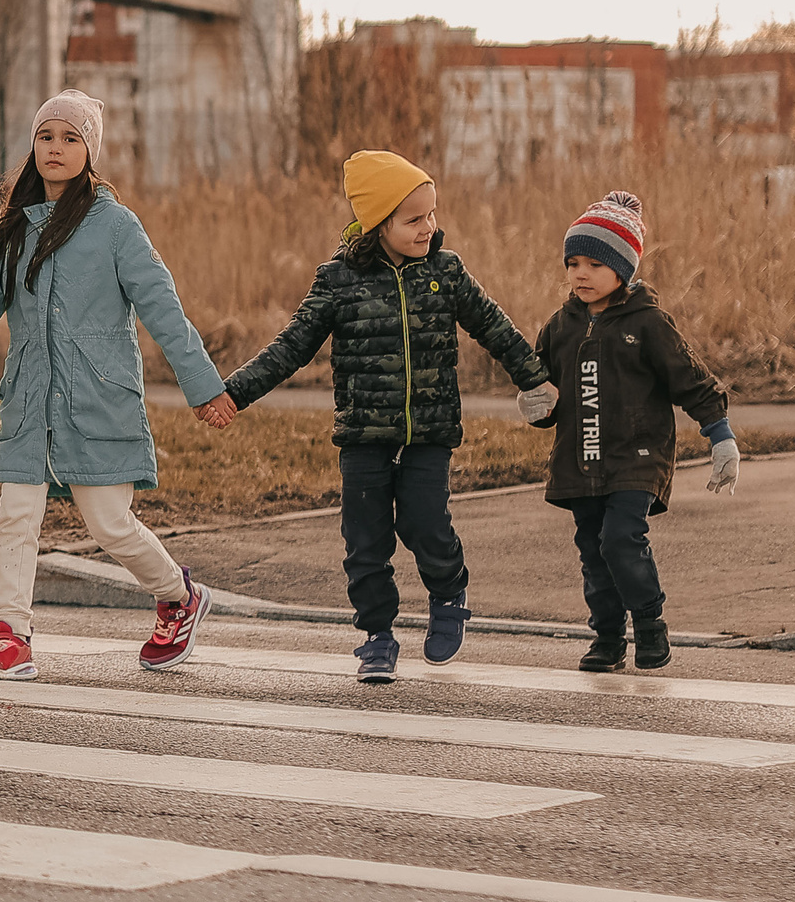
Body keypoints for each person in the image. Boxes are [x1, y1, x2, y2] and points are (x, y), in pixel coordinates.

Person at [0, 91, 236, 681]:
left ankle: (178, 596)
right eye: (46, 136)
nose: (56, 148)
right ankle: (11, 636)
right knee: (16, 514)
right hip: (28, 400)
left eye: (71, 138)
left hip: (98, 399)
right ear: (33, 146)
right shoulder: (17, 228)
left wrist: (204, 387)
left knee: (109, 523)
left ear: (89, 151)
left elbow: (163, 310)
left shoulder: (116, 226)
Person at [216, 149, 553, 684]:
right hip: (364, 435)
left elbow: (493, 326)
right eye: (414, 219)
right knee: (366, 538)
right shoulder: (338, 281)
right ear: (379, 224)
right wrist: (233, 393)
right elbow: (292, 347)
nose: (429, 227)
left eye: (432, 214)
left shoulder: (446, 272)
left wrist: (534, 379)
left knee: (425, 522)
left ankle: (449, 592)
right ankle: (377, 635)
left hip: (430, 431)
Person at [530, 191, 737, 673]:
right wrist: (535, 405)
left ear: (623, 270)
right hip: (579, 461)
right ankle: (607, 637)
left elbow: (692, 380)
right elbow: (543, 391)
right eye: (573, 262)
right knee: (593, 550)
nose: (580, 274)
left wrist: (720, 435)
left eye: (594, 265)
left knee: (621, 538)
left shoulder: (648, 323)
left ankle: (649, 625)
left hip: (636, 458)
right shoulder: (560, 326)